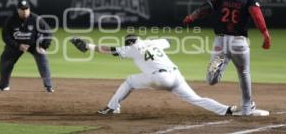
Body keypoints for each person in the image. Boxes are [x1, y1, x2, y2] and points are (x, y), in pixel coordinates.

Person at [70, 34, 237, 116]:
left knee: (130, 81)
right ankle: (227, 110)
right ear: (139, 38)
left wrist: (88, 46)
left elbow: (108, 49)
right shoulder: (152, 43)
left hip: (159, 79)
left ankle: (112, 107)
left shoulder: (131, 49)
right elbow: (169, 41)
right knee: (196, 99)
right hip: (176, 75)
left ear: (128, 42)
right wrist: (159, 39)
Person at [183, 0, 271, 116]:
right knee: (244, 73)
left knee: (211, 80)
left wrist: (192, 16)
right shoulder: (249, 0)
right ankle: (247, 108)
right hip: (238, 42)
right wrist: (265, 34)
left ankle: (217, 66)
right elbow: (257, 16)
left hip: (220, 40)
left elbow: (206, 7)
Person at [0, 0, 54, 93]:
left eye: (26, 9)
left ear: (29, 9)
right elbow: (5, 36)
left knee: (42, 58)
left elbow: (48, 31)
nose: (24, 11)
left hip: (34, 45)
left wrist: (44, 46)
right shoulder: (11, 20)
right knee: (5, 59)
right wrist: (17, 46)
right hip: (17, 45)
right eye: (22, 9)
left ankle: (48, 86)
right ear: (18, 10)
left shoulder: (36, 19)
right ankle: (3, 85)